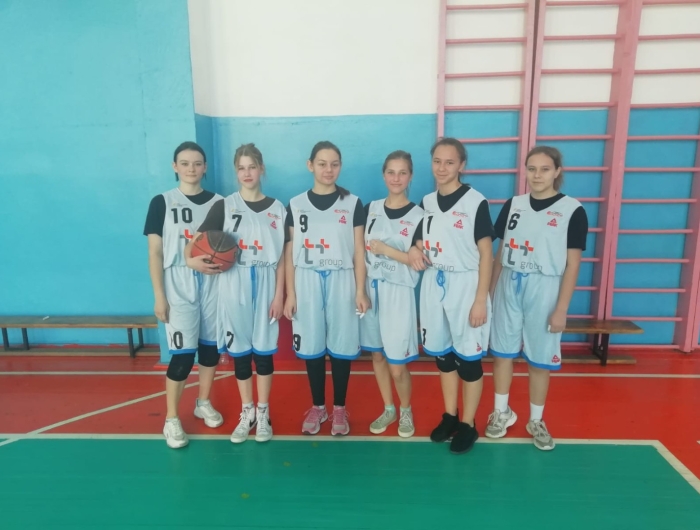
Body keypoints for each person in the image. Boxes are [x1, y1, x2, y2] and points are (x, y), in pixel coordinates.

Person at [487, 146, 588, 451]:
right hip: (509, 282)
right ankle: (501, 412)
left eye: (544, 169)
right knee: (502, 353)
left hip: (545, 287)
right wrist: (490, 291)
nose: (537, 175)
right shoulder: (513, 205)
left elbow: (572, 264)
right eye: (532, 168)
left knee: (540, 359)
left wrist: (562, 309)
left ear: (557, 171)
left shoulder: (572, 210)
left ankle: (536, 420)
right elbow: (499, 253)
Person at [186, 143, 286, 444]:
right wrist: (192, 261)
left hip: (266, 282)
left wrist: (279, 295)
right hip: (233, 282)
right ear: (236, 171)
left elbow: (283, 257)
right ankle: (247, 411)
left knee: (264, 354)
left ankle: (263, 412)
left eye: (252, 167)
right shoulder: (225, 206)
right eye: (241, 168)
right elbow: (194, 245)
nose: (247, 173)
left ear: (261, 169)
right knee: (240, 353)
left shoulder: (278, 209)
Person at [408, 137, 494, 455]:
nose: (442, 168)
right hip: (434, 282)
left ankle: (469, 424)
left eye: (449, 162)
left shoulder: (475, 202)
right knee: (443, 358)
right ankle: (450, 416)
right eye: (437, 161)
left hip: (466, 285)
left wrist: (480, 299)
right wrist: (414, 248)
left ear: (461, 165)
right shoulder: (427, 202)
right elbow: (419, 240)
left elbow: (487, 255)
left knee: (468, 360)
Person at [283, 141, 370, 436]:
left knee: (342, 346)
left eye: (334, 164)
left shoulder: (353, 203)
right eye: (322, 164)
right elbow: (290, 251)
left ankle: (340, 408)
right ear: (310, 165)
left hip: (342, 278)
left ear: (340, 166)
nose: (328, 169)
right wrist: (290, 293)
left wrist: (360, 290)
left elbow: (359, 250)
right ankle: (318, 406)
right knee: (312, 346)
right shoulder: (295, 204)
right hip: (306, 278)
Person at [143, 141, 224, 449]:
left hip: (213, 283)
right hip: (178, 283)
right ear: (175, 167)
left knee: (210, 350)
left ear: (205, 167)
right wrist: (159, 296)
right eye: (185, 163)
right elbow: (155, 252)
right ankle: (172, 418)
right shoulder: (161, 202)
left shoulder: (220, 203)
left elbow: (228, 245)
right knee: (182, 355)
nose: (192, 168)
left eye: (197, 163)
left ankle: (203, 402)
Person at [361, 150, 423, 438]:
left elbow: (418, 261)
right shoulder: (370, 209)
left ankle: (406, 409)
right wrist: (359, 290)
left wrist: (385, 250)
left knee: (397, 365)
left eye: (402, 173)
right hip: (372, 289)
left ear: (410, 176)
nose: (396, 178)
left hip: (399, 293)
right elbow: (359, 252)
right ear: (383, 175)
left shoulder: (420, 216)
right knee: (377, 356)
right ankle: (389, 408)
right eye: (391, 172)